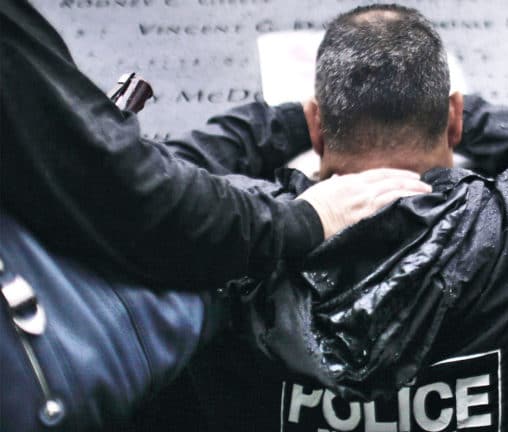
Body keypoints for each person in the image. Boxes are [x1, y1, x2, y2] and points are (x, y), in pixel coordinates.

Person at [167, 4, 508, 432]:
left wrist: (292, 117)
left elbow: (152, 186)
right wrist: (452, 109)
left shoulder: (232, 239)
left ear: (318, 125)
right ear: (451, 117)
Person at [0, 0, 430, 288]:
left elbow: (121, 176)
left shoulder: (239, 258)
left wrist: (283, 126)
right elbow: (121, 190)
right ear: (453, 119)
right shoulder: (492, 234)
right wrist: (307, 219)